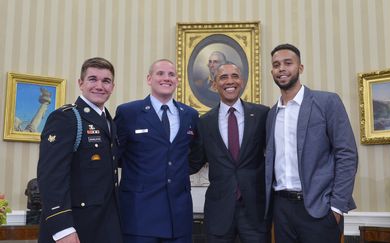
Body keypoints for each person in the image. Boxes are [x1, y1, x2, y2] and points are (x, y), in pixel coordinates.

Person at [264, 43, 358, 243]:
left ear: (300, 67)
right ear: (272, 70)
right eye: (276, 64)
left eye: (288, 63)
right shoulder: (272, 114)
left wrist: (336, 207)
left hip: (319, 209)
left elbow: (347, 154)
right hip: (281, 210)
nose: (281, 68)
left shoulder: (327, 102)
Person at [37, 57, 122, 243]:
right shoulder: (66, 118)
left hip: (105, 225)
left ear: (112, 87)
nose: (99, 86)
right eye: (93, 79)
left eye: (106, 81)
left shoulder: (109, 122)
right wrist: (62, 229)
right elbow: (51, 176)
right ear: (80, 83)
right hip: (74, 227)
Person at [114, 59, 199, 243]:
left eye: (171, 74)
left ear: (177, 80)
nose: (166, 78)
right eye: (160, 73)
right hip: (139, 215)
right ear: (149, 78)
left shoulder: (190, 115)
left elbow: (194, 156)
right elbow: (116, 157)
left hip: (179, 216)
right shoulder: (129, 112)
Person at [190, 62, 270, 243]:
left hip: (255, 213)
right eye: (223, 77)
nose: (230, 81)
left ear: (241, 81)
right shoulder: (204, 122)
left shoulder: (261, 115)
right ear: (215, 83)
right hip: (219, 212)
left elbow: (275, 155)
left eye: (234, 76)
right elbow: (195, 161)